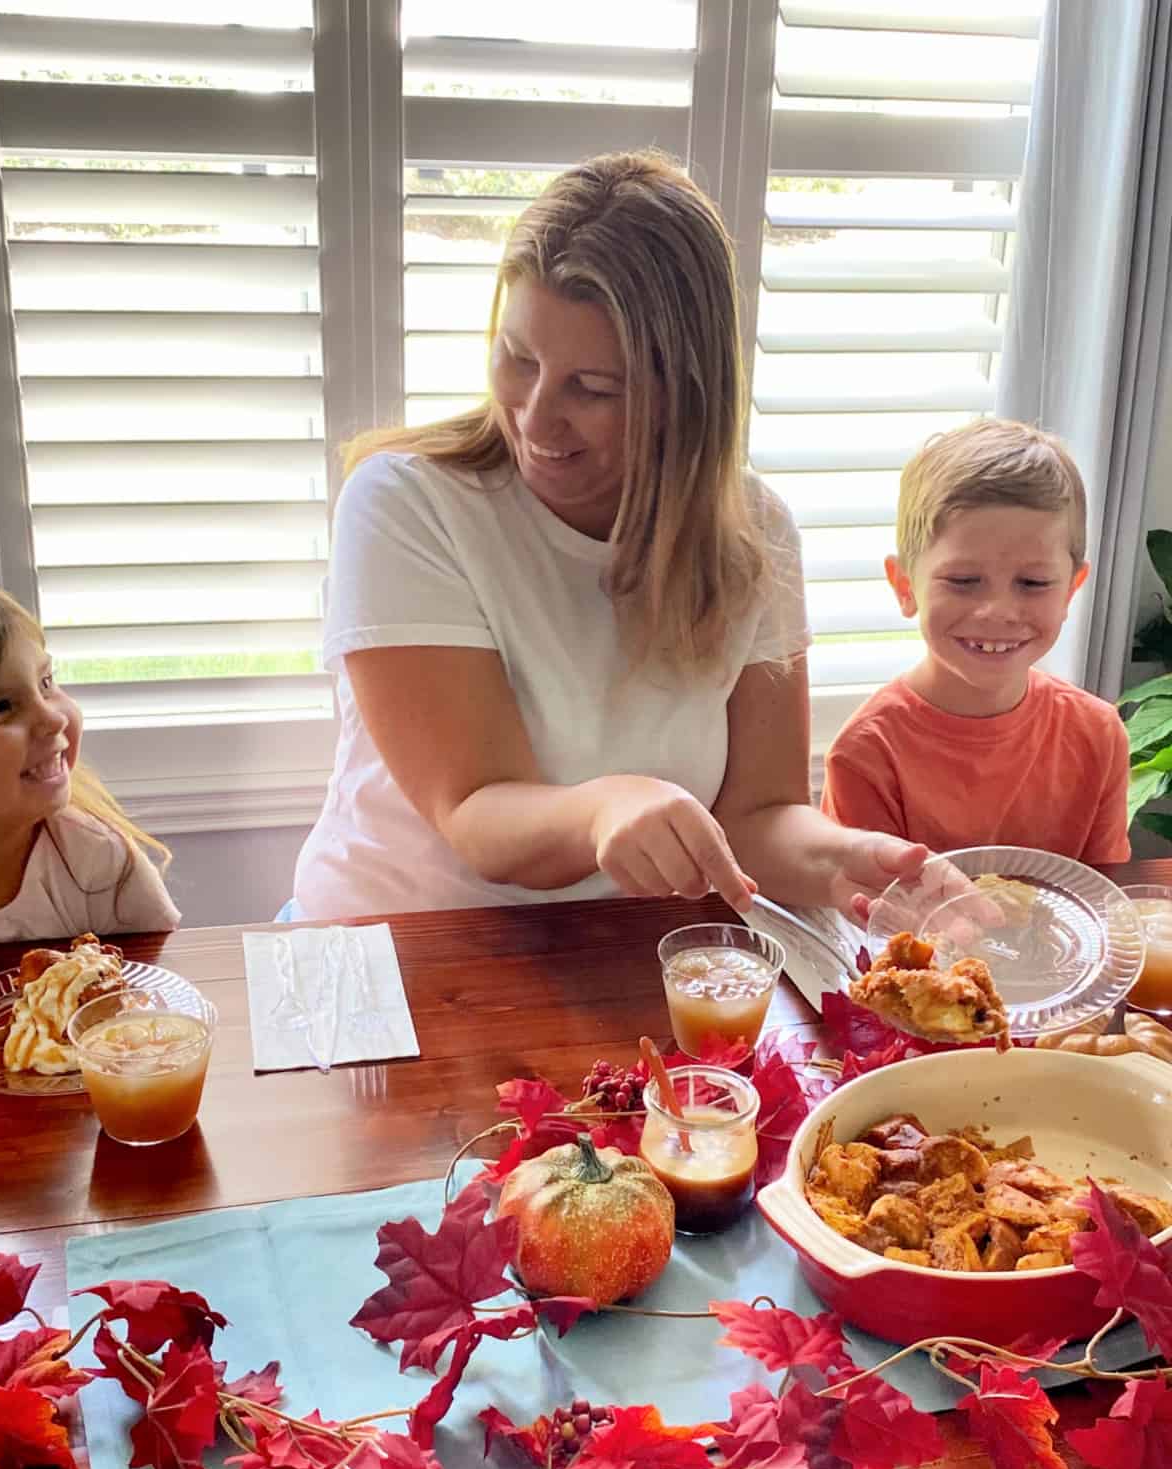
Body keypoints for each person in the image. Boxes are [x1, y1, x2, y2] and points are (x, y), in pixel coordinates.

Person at [293, 150, 927, 921]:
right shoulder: (404, 502)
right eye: (518, 359)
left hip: (614, 952)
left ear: (686, 395)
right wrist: (608, 808)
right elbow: (473, 810)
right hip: (390, 951)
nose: (534, 417)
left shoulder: (756, 532)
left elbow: (758, 817)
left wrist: (854, 862)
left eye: (593, 389)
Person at [822, 418, 1131, 864]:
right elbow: (874, 918)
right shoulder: (867, 753)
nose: (998, 611)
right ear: (905, 587)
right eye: (964, 580)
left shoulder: (1099, 735)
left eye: (1033, 582)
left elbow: (1102, 899)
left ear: (1070, 591)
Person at [0, 579, 182, 942]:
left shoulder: (97, 862)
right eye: (1, 706)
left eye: (46, 682)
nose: (55, 718)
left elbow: (152, 983)